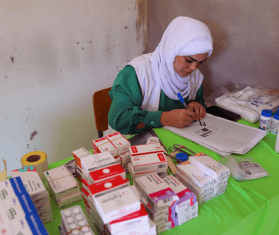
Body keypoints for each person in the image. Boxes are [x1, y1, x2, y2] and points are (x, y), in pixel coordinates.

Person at [108, 16, 213, 135]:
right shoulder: (136, 72)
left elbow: (198, 102)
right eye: (188, 60)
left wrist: (194, 105)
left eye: (200, 62)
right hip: (131, 142)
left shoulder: (195, 76)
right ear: (172, 50)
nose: (194, 68)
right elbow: (119, 119)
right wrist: (164, 118)